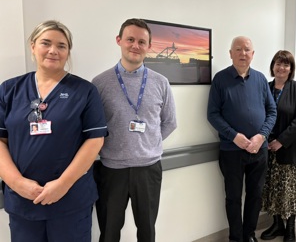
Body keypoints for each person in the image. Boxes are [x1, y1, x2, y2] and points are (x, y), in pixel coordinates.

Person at [0, 20, 108, 242]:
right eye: (45, 43)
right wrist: (17, 183)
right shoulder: (9, 90)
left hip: (71, 199)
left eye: (61, 46)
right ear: (33, 46)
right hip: (23, 201)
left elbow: (95, 140)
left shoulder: (85, 91)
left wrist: (63, 184)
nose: (53, 51)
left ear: (68, 52)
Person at [92, 18, 177, 242]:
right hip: (111, 170)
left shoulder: (161, 83)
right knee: (109, 233)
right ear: (119, 40)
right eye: (130, 39)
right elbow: (93, 128)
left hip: (148, 170)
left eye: (142, 41)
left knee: (147, 231)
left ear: (149, 47)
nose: (135, 45)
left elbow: (169, 121)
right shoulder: (100, 83)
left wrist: (149, 143)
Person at [207, 36, 277, 242]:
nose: (243, 53)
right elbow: (212, 114)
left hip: (259, 150)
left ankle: (249, 235)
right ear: (230, 54)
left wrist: (261, 136)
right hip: (231, 151)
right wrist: (234, 136)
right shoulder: (220, 79)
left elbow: (272, 111)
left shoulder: (261, 79)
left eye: (247, 50)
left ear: (253, 54)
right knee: (233, 197)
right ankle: (236, 237)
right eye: (238, 49)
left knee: (255, 196)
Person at [260, 50, 296, 242]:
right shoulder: (265, 87)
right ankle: (277, 225)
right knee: (273, 189)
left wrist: (280, 141)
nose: (281, 67)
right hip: (267, 149)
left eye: (286, 64)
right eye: (278, 64)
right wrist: (266, 140)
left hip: (289, 149)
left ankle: (290, 228)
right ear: (272, 66)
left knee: (289, 191)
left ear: (291, 69)